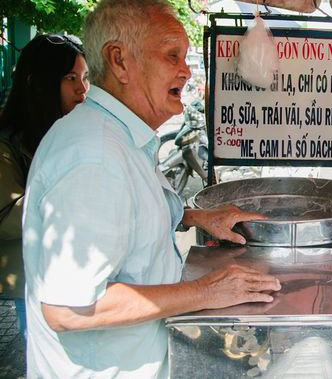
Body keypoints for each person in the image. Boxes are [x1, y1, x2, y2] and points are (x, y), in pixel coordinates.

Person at [21, 0, 281, 377]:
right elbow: (68, 308)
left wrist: (196, 217)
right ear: (120, 61)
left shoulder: (115, 137)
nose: (186, 72)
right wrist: (207, 291)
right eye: (171, 56)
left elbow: (126, 216)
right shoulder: (94, 155)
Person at [0, 33, 89, 374]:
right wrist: (67, 194)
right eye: (70, 79)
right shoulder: (8, 145)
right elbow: (8, 218)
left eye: (84, 78)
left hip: (71, 273)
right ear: (38, 84)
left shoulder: (69, 131)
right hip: (31, 281)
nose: (82, 89)